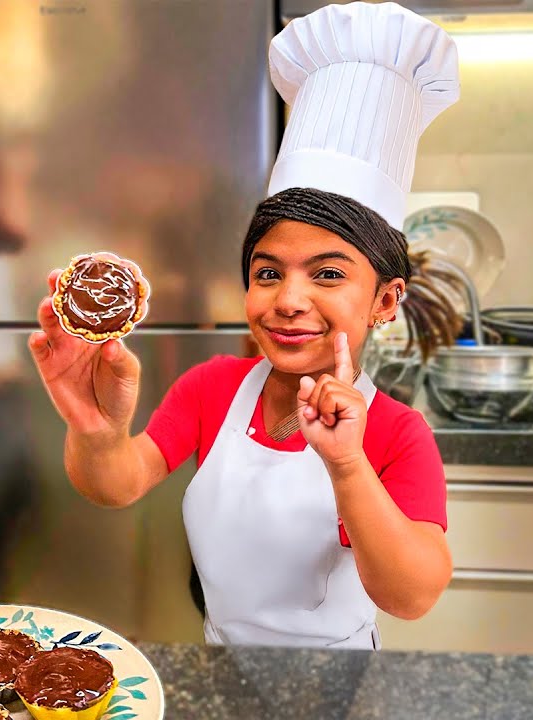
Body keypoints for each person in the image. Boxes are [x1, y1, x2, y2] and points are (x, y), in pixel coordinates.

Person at [28, 1, 458, 649]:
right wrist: (97, 429)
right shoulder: (214, 389)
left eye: (328, 274)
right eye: (266, 273)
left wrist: (345, 463)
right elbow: (116, 484)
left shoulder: (398, 433)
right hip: (221, 679)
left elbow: (412, 595)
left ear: (386, 300)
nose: (287, 300)